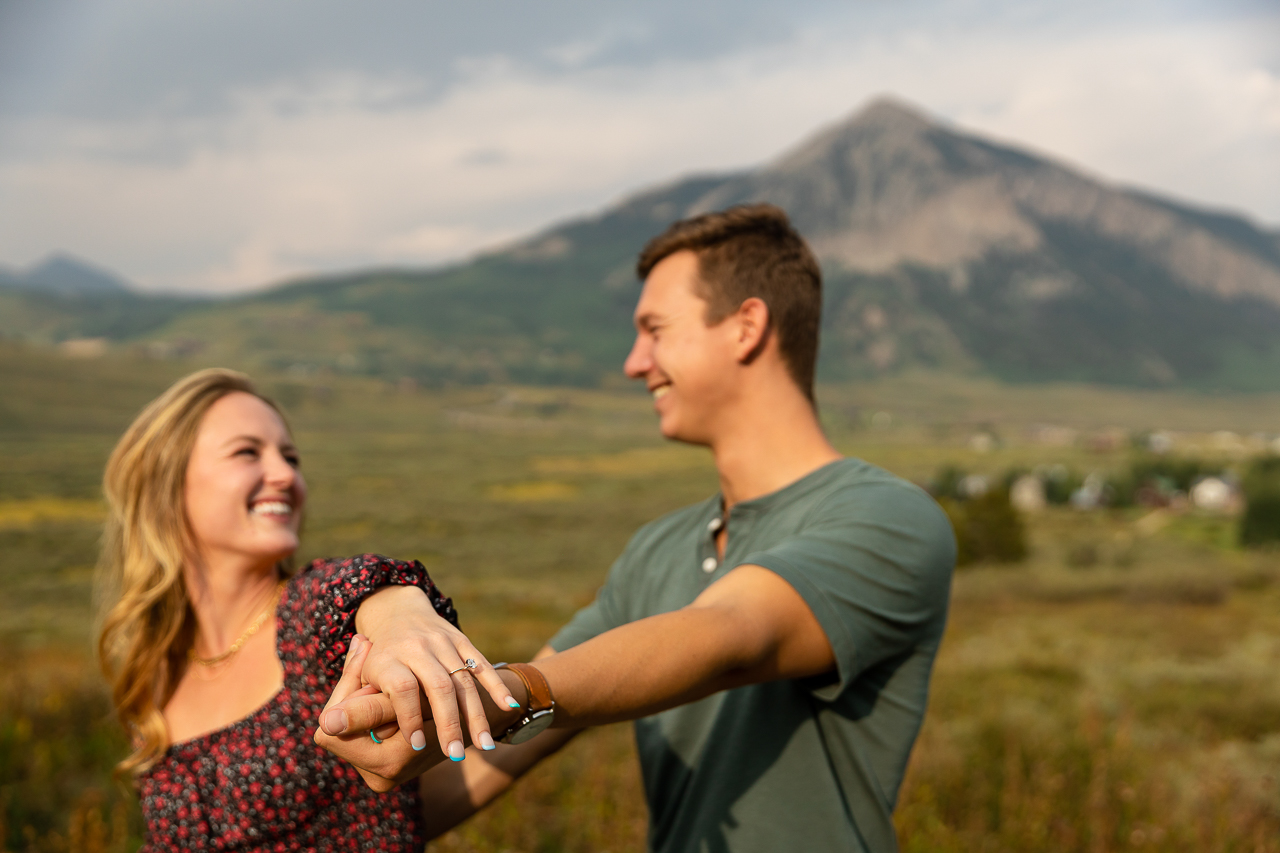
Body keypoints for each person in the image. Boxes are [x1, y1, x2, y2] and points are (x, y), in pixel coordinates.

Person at [316, 204, 957, 851]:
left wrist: (508, 693)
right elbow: (490, 755)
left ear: (747, 326)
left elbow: (731, 634)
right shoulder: (657, 550)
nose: (633, 362)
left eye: (654, 328)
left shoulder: (891, 517)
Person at [94, 368, 518, 852]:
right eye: (247, 452)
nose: (285, 475)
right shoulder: (154, 666)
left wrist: (402, 615)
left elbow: (360, 588)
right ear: (168, 483)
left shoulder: (305, 626)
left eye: (290, 457)